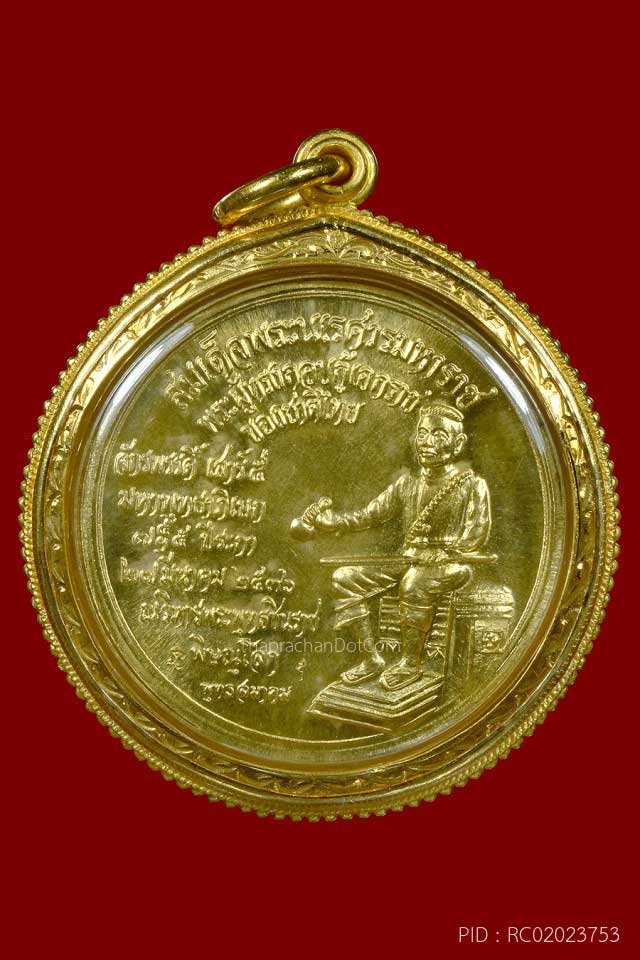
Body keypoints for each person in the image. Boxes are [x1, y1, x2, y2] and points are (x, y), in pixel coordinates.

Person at [309, 403, 491, 690]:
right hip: (409, 559)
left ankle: (410, 663)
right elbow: (370, 515)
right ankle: (371, 659)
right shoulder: (406, 484)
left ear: (458, 444)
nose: (427, 442)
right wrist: (332, 522)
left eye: (439, 435)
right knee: (344, 577)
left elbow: (477, 532)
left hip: (453, 566)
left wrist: (449, 552)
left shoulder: (472, 485)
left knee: (414, 583)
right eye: (423, 434)